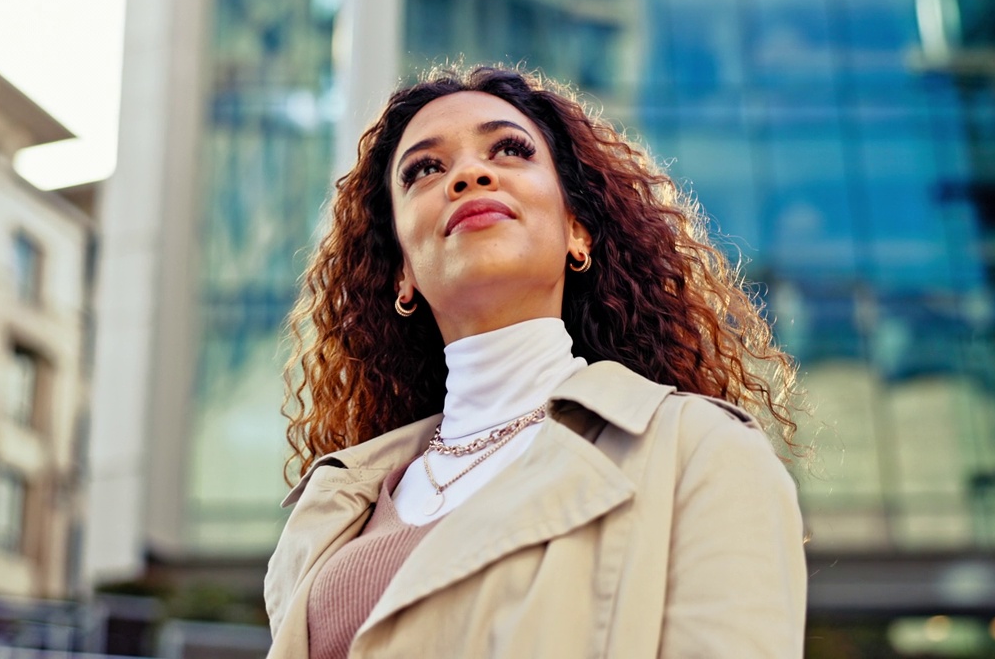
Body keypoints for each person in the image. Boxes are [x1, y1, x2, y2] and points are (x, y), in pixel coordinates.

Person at [265, 65, 807, 658]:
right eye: (425, 169)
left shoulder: (698, 453)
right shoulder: (335, 510)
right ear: (402, 271)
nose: (471, 174)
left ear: (577, 229)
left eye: (510, 150)